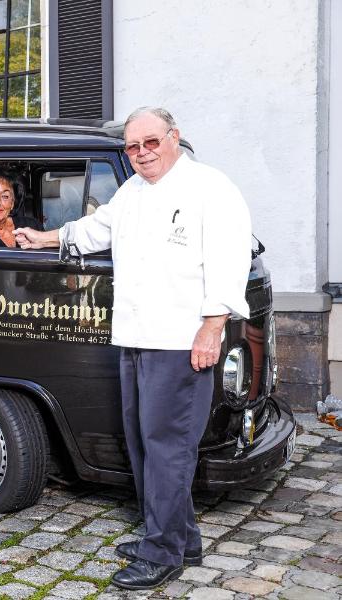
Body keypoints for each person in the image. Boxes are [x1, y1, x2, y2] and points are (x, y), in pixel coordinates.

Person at [14, 107, 252, 590]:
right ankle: (180, 538)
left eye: (151, 142)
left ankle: (162, 552)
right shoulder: (132, 191)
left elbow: (231, 260)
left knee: (168, 449)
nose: (142, 153)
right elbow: (95, 229)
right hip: (135, 338)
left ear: (174, 137)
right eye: (133, 146)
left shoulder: (211, 187)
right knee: (143, 442)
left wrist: (212, 327)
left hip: (180, 342)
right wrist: (43, 238)